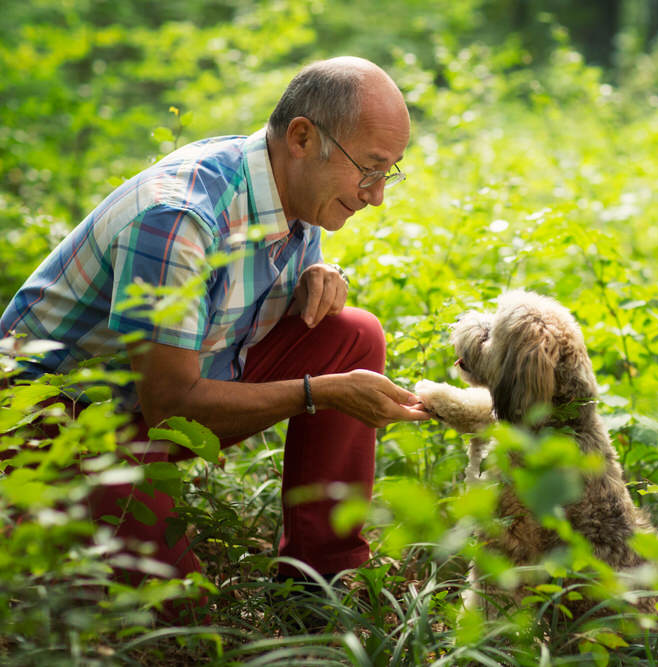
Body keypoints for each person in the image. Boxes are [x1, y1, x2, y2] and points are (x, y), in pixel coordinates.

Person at [0, 56, 429, 591]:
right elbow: (171, 405)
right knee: (183, 621)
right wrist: (319, 392)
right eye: (368, 168)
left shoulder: (291, 188)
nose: (376, 194)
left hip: (143, 410)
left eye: (388, 171)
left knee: (351, 335)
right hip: (50, 423)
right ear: (301, 138)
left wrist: (318, 277)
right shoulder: (178, 217)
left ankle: (323, 576)